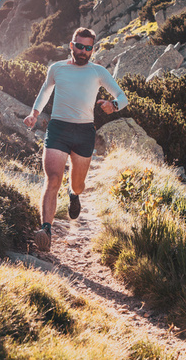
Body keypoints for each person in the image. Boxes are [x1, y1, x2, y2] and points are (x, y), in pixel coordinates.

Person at [23, 27, 128, 252]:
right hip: (58, 129)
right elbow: (45, 92)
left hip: (83, 133)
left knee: (78, 184)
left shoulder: (98, 72)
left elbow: (122, 97)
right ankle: (46, 230)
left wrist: (114, 105)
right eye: (79, 46)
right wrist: (34, 113)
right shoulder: (57, 68)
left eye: (88, 48)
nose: (83, 51)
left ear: (92, 50)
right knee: (52, 178)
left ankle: (74, 194)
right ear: (71, 45)